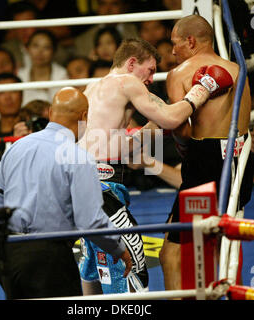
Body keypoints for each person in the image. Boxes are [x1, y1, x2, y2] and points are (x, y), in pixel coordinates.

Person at [77, 37, 233, 294]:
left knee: (96, 265)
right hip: (101, 190)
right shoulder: (127, 82)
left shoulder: (95, 87)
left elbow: (116, 147)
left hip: (87, 183)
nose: (151, 79)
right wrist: (201, 90)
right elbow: (172, 118)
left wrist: (150, 129)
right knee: (132, 262)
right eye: (149, 70)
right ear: (131, 63)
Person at [0, 87, 132, 299]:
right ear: (84, 117)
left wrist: (4, 251)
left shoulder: (16, 148)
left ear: (51, 113)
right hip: (48, 257)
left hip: (8, 256)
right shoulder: (78, 157)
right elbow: (90, 221)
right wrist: (119, 249)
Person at [158, 15, 253, 293]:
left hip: (204, 161)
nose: (172, 51)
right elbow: (244, 124)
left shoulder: (179, 73)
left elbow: (181, 129)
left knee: (172, 253)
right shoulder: (238, 70)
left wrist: (181, 145)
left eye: (175, 44)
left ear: (190, 41)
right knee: (225, 244)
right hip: (240, 158)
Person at [17, 30, 69, 104]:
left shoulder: (63, 76)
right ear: (27, 48)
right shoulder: (20, 76)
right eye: (35, 46)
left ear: (54, 51)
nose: (40, 52)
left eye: (46, 47)